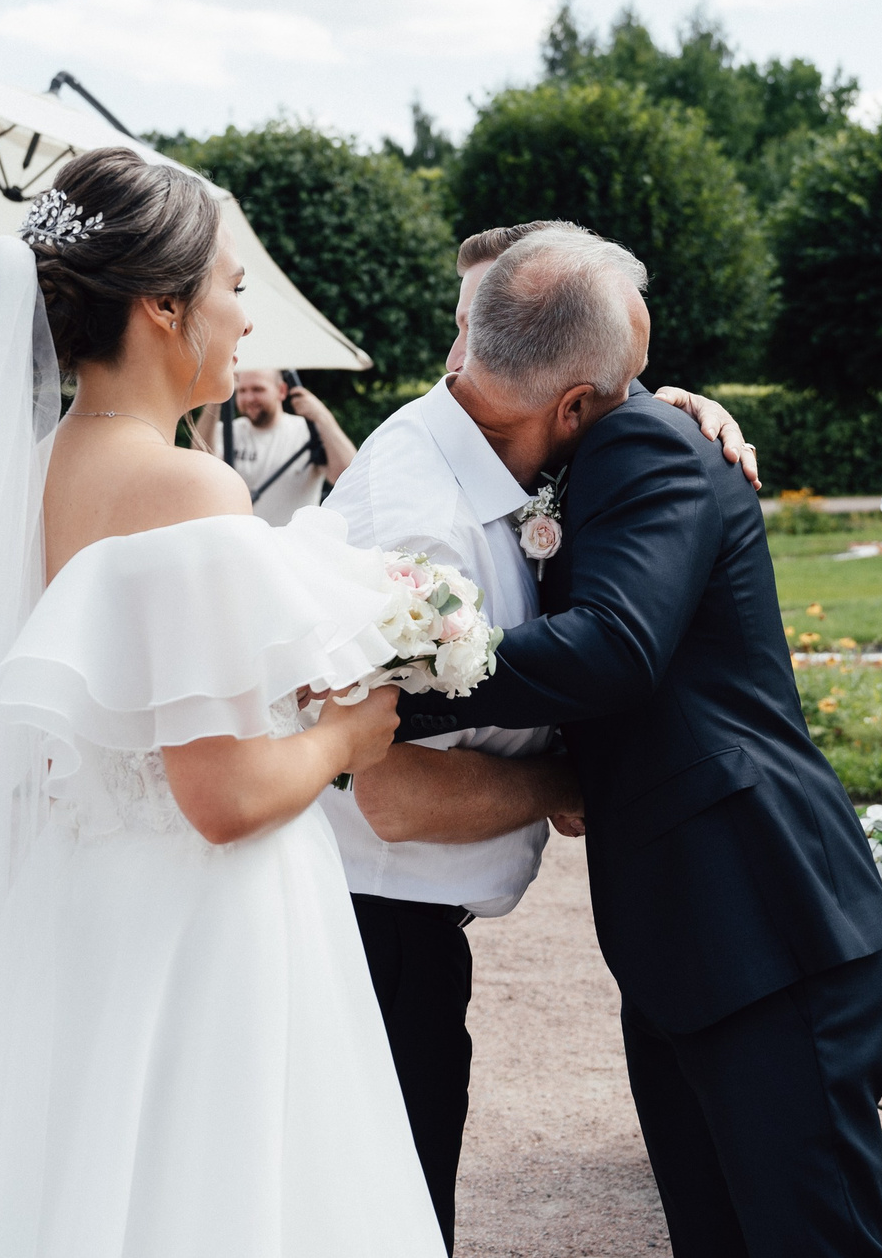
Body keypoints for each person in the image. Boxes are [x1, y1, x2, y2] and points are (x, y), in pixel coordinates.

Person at [0, 146, 443, 1255]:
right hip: (203, 917)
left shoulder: (21, 476)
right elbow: (218, 791)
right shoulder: (183, 484)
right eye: (233, 286)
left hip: (79, 899)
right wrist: (345, 732)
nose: (246, 318)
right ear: (164, 307)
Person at [411, 226, 882, 1258]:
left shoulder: (638, 439)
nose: (465, 367)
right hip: (695, 934)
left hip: (764, 923)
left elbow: (616, 647)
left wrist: (401, 686)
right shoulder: (584, 437)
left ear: (569, 379)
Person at [322, 220, 762, 1250]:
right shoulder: (419, 527)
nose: (637, 418)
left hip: (401, 922)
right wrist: (579, 774)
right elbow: (389, 790)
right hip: (374, 928)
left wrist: (680, 417)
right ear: (572, 404)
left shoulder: (488, 444)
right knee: (394, 1216)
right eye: (626, 396)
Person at [201, 368, 357, 525]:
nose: (249, 398)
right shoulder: (227, 432)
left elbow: (349, 476)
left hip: (292, 545)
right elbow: (201, 465)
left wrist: (323, 417)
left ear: (282, 391)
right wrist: (216, 398)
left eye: (258, 389)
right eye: (242, 391)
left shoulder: (307, 431)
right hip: (240, 544)